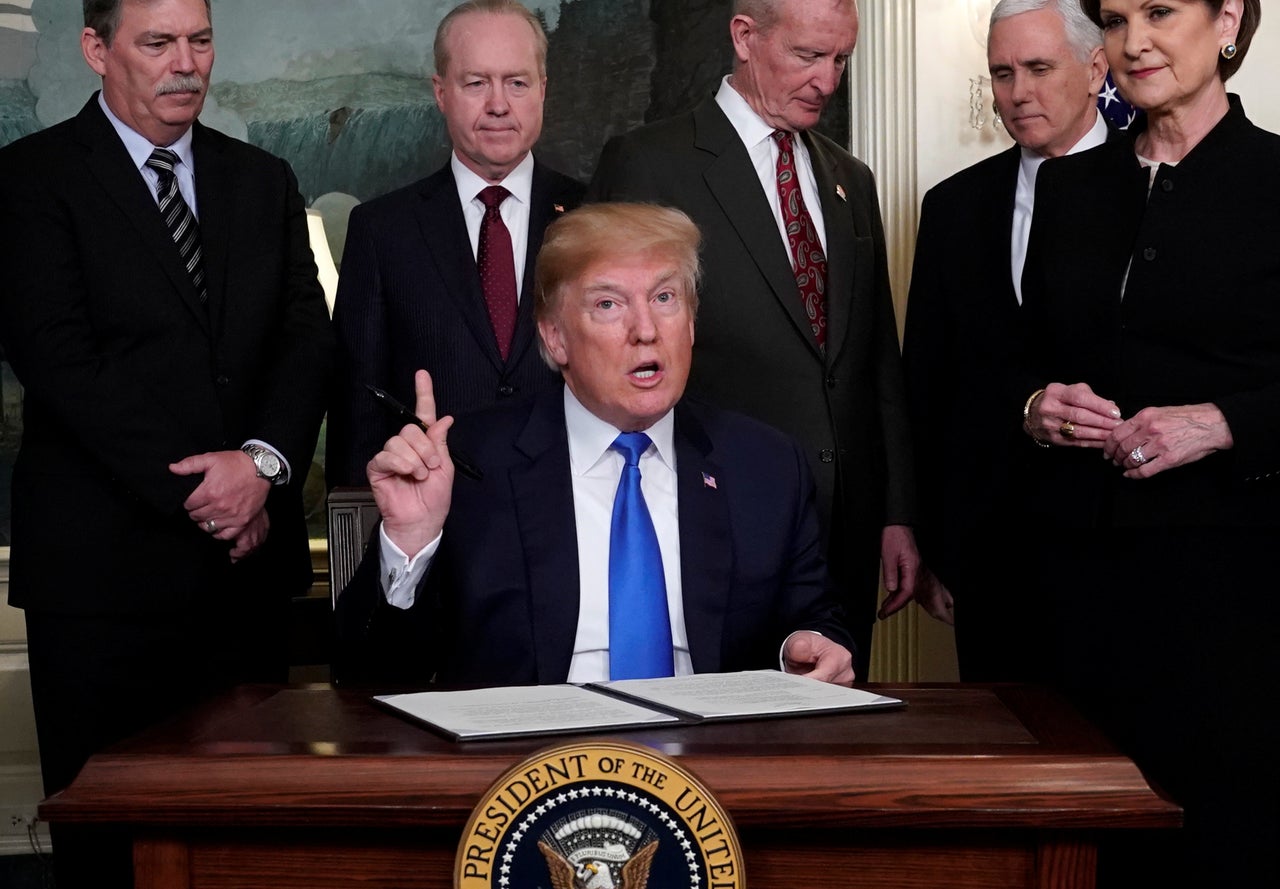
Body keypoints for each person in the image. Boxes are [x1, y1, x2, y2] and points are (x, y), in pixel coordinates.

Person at [0, 0, 331, 881]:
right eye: (158, 44)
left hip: (244, 579)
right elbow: (59, 360)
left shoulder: (263, 179)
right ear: (95, 50)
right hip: (101, 582)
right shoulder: (30, 180)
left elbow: (307, 339)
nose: (186, 63)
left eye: (200, 39)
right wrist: (208, 491)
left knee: (249, 845)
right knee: (112, 849)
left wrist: (260, 468)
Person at [336, 203, 855, 687]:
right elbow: (369, 676)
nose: (646, 330)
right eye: (608, 304)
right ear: (555, 337)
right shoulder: (468, 465)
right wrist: (410, 543)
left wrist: (803, 648)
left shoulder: (763, 464)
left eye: (664, 298)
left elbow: (814, 620)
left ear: (692, 323)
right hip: (525, 768)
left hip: (709, 770)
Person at [1017, 1, 1273, 885]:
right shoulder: (1070, 187)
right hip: (1073, 598)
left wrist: (1226, 421)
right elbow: (1018, 369)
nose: (1135, 41)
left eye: (1161, 11)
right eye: (1118, 18)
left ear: (1229, 18)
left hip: (1234, 607)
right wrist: (1035, 408)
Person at [587, 0, 916, 678]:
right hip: (720, 520)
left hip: (847, 534)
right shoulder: (651, 163)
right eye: (807, 56)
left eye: (841, 59)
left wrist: (896, 511)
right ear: (744, 36)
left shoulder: (850, 179)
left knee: (833, 752)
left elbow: (876, 358)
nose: (828, 79)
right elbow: (607, 356)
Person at [901, 0, 1109, 680]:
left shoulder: (1155, 190)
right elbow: (926, 386)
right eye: (1002, 73)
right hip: (990, 564)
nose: (1018, 93)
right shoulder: (953, 207)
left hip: (1124, 557)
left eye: (1040, 68)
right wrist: (932, 544)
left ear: (1096, 66)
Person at [327, 0, 585, 489]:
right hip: (432, 520)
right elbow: (356, 404)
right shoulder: (382, 230)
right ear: (441, 92)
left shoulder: (594, 217)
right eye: (475, 83)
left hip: (570, 511)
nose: (498, 104)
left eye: (517, 82)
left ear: (543, 91)